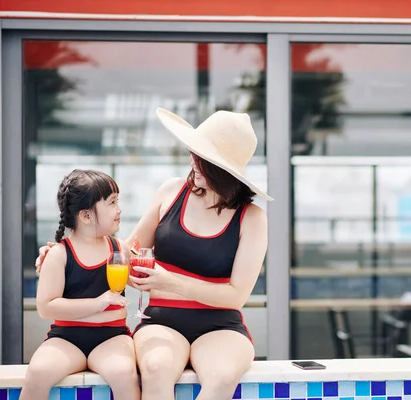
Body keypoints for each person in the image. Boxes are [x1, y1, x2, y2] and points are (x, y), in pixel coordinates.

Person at [35, 108, 271, 400]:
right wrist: (62, 254)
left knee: (221, 378)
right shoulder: (170, 192)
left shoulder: (252, 217)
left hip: (222, 326)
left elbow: (237, 296)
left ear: (222, 169)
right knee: (156, 369)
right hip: (161, 321)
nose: (192, 162)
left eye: (202, 159)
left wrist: (169, 282)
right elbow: (125, 253)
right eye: (193, 153)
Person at [23, 169, 140, 400]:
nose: (119, 209)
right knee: (37, 373)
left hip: (112, 335)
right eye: (112, 202)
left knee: (124, 374)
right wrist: (98, 303)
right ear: (86, 216)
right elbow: (46, 307)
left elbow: (140, 279)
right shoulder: (59, 254)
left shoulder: (119, 249)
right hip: (67, 337)